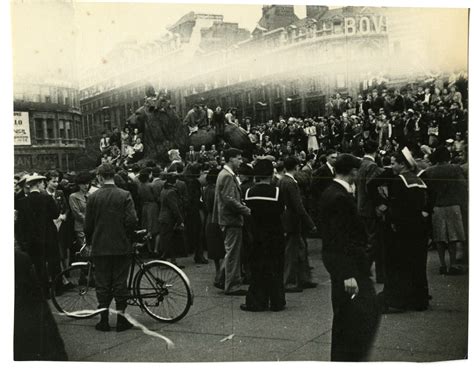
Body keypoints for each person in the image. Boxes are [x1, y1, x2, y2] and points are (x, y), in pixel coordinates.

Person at [319, 154, 380, 361]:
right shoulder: (340, 198)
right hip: (349, 269)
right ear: (354, 172)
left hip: (345, 267)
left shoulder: (332, 192)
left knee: (347, 319)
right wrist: (348, 274)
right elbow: (339, 239)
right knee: (358, 317)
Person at [369, 149, 430, 312]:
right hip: (418, 229)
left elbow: (396, 209)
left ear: (402, 164)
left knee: (398, 265)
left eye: (394, 162)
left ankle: (396, 299)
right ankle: (419, 299)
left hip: (401, 230)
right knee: (417, 265)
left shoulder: (399, 181)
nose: (391, 166)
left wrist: (385, 212)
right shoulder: (418, 180)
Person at [84, 164, 138, 332]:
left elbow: (88, 225)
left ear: (99, 177)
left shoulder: (93, 197)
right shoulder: (124, 195)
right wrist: (127, 236)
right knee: (120, 282)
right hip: (121, 245)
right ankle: (122, 320)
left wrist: (89, 241)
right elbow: (132, 220)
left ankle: (104, 320)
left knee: (102, 283)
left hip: (100, 247)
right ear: (113, 176)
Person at [241, 159, 286, 312]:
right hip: (275, 235)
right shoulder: (277, 192)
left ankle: (257, 301)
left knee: (258, 270)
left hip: (257, 236)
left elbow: (248, 214)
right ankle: (277, 301)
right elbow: (281, 212)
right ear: (271, 174)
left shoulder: (248, 192)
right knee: (275, 268)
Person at [421, 146, 468, 273]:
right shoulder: (455, 169)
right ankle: (452, 264)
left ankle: (442, 264)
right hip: (453, 205)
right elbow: (463, 185)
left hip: (437, 207)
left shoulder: (429, 171)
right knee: (453, 237)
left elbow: (425, 189)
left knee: (439, 237)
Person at [212, 148, 251, 295]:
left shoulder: (224, 174)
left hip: (227, 218)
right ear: (230, 159)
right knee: (233, 252)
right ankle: (232, 285)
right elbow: (229, 199)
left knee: (231, 251)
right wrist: (246, 210)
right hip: (231, 219)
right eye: (238, 158)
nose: (240, 161)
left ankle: (221, 279)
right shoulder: (228, 176)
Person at [15, 174, 60, 298]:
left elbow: (20, 224)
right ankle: (57, 288)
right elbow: (55, 215)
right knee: (52, 262)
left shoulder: (22, 202)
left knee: (38, 264)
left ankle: (42, 290)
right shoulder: (47, 199)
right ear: (39, 184)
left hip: (33, 238)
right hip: (49, 236)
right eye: (42, 183)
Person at [279, 156, 318, 292]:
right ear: (296, 167)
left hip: (287, 220)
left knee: (300, 250)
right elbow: (298, 206)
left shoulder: (282, 181)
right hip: (293, 221)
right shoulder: (291, 183)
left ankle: (304, 278)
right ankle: (289, 282)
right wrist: (311, 223)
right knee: (292, 252)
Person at [356, 140, 385, 283]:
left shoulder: (361, 164)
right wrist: (379, 204)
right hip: (369, 208)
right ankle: (363, 270)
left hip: (361, 206)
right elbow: (371, 187)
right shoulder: (372, 165)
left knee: (369, 240)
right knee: (373, 241)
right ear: (376, 150)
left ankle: (372, 272)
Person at [202, 168, 225, 286]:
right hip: (216, 219)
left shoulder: (206, 189)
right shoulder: (215, 190)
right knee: (221, 248)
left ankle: (218, 273)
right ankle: (220, 275)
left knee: (214, 250)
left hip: (208, 219)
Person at [158, 172, 185, 267]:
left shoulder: (164, 190)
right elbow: (175, 208)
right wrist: (180, 221)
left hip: (163, 217)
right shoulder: (172, 192)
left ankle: (166, 258)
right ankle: (169, 260)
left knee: (167, 239)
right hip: (169, 218)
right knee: (170, 240)